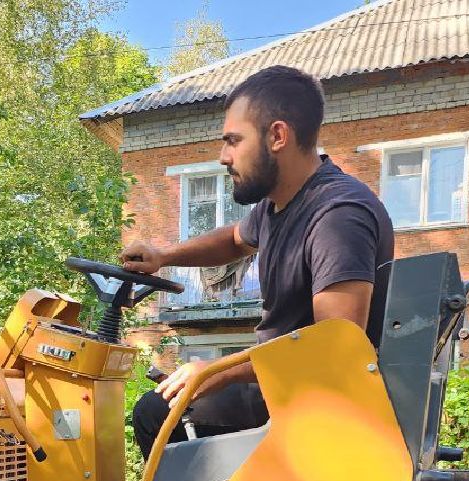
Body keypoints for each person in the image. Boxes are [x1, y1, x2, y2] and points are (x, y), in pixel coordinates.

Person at [122, 65, 394, 460]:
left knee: (155, 413)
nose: (223, 157)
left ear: (278, 136)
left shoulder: (338, 214)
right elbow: (234, 240)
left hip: (316, 399)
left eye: (233, 141)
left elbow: (336, 347)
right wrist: (163, 256)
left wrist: (216, 372)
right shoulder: (277, 206)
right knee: (163, 406)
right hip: (283, 382)